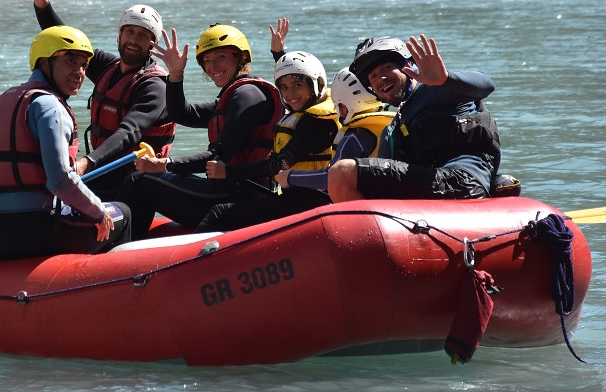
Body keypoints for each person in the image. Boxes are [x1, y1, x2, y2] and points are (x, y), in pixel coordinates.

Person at [0, 26, 131, 260]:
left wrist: (5, 185)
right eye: (70, 61)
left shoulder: (2, 100)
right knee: (123, 213)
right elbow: (59, 180)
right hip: (38, 232)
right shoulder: (50, 106)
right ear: (45, 63)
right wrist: (99, 213)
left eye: (84, 64)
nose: (79, 72)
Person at [26, 0, 175, 199]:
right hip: (102, 174)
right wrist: (42, 4)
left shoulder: (155, 86)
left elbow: (129, 132)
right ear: (119, 35)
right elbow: (67, 40)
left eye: (142, 35)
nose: (133, 40)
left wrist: (88, 162)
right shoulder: (108, 66)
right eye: (129, 32)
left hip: (137, 183)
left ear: (153, 44)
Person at [120, 24, 284, 238]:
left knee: (138, 179)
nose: (213, 67)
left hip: (235, 197)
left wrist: (163, 165)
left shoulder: (248, 96)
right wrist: (175, 74)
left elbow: (218, 156)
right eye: (207, 61)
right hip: (228, 191)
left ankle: (121, 252)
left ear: (240, 57)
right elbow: (183, 113)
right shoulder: (234, 96)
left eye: (220, 57)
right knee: (142, 177)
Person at [327, 35, 502, 202]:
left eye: (387, 67)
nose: (381, 78)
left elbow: (486, 85)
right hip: (426, 191)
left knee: (342, 172)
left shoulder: (438, 89)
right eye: (373, 77)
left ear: (408, 65)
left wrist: (446, 79)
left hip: (461, 181)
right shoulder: (394, 129)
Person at [196, 50, 340, 231]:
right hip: (298, 197)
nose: (290, 94)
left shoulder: (317, 124)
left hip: (307, 204)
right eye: (284, 88)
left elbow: (280, 164)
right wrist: (279, 53)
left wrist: (228, 172)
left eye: (297, 86)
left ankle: (184, 259)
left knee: (219, 213)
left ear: (316, 84)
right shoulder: (309, 112)